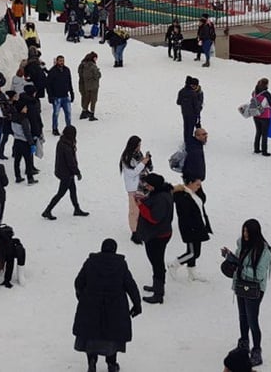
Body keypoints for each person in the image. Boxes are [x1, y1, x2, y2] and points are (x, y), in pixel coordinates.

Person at [73, 238, 142, 372]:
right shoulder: (120, 265)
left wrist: (82, 297)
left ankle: (92, 361)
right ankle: (111, 364)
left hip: (91, 305)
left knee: (91, 334)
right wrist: (137, 304)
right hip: (115, 307)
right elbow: (130, 285)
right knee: (112, 335)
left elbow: (78, 282)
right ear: (115, 250)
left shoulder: (91, 262)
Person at [221, 219, 271, 367]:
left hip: (254, 289)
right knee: (242, 317)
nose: (244, 234)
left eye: (247, 232)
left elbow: (259, 274)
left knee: (252, 320)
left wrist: (240, 266)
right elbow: (240, 261)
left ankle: (256, 350)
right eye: (243, 231)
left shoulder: (264, 252)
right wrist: (230, 257)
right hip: (241, 285)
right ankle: (243, 344)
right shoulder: (242, 245)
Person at [137, 172, 174, 304]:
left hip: (157, 236)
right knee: (156, 262)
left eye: (148, 184)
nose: (145, 186)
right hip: (159, 234)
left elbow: (154, 218)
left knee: (157, 263)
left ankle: (158, 294)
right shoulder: (162, 193)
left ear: (154, 186)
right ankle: (157, 286)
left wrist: (140, 205)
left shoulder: (161, 198)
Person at [42, 125, 88, 219]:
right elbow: (70, 162)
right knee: (61, 193)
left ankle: (77, 208)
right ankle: (47, 210)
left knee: (73, 191)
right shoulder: (67, 146)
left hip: (63, 171)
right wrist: (77, 172)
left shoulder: (62, 142)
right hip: (66, 173)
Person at [119, 137, 150, 242]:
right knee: (134, 211)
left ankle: (141, 228)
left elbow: (146, 169)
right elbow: (132, 173)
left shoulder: (139, 155)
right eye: (138, 145)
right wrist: (143, 163)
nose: (139, 147)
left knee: (143, 209)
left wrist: (148, 162)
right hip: (133, 188)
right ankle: (134, 232)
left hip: (143, 186)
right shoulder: (126, 158)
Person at [249, 79, 271, 156]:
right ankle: (264, 151)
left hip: (256, 115)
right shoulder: (267, 94)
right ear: (266, 85)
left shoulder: (254, 92)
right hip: (265, 116)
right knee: (264, 134)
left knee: (258, 132)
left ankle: (256, 149)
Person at [46, 55, 75, 135]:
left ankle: (68, 129)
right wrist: (50, 96)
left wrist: (72, 93)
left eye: (63, 61)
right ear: (57, 61)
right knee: (56, 114)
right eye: (60, 61)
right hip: (56, 96)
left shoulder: (67, 70)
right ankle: (55, 129)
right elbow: (48, 85)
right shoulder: (52, 71)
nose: (62, 62)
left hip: (65, 95)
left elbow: (69, 82)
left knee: (68, 113)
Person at [177, 76, 203, 140]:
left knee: (189, 127)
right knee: (190, 127)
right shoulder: (192, 93)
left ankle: (198, 137)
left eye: (195, 86)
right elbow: (196, 105)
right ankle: (190, 140)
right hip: (193, 113)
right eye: (192, 85)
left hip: (186, 112)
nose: (193, 87)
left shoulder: (182, 91)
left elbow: (178, 102)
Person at [78, 52, 102, 121]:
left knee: (86, 99)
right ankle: (92, 114)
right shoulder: (92, 66)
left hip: (85, 85)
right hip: (93, 85)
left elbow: (80, 74)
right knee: (93, 100)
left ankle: (84, 111)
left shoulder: (82, 65)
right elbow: (97, 75)